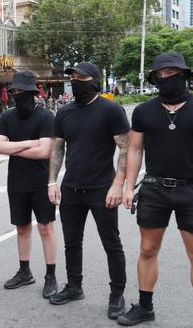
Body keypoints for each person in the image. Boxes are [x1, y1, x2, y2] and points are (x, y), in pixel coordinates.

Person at [118, 52, 193, 326]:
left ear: (184, 75)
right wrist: (128, 186)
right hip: (154, 188)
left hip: (191, 190)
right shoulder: (144, 111)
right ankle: (145, 307)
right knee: (148, 250)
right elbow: (135, 149)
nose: (165, 79)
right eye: (160, 76)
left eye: (171, 73)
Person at [48, 62, 129, 320]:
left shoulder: (111, 109)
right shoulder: (64, 112)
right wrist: (52, 181)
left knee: (111, 244)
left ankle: (117, 294)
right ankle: (74, 287)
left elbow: (125, 148)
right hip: (71, 188)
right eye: (73, 77)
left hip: (102, 189)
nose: (76, 81)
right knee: (72, 243)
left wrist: (118, 184)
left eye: (82, 77)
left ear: (95, 80)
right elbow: (58, 148)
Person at [0, 71, 58, 299]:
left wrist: (16, 146)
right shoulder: (7, 117)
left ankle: (51, 275)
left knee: (45, 228)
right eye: (14, 91)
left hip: (41, 182)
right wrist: (30, 142)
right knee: (21, 228)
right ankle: (24, 271)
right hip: (17, 181)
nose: (16, 95)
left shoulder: (46, 116)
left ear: (32, 92)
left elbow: (44, 152)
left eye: (20, 91)